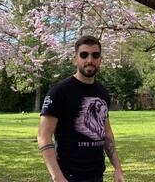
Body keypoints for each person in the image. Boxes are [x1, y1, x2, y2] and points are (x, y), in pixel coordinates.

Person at [37, 35, 125, 182]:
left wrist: (118, 168)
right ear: (75, 58)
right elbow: (43, 136)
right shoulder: (59, 92)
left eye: (95, 55)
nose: (89, 60)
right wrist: (57, 177)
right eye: (84, 55)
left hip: (97, 175)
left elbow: (106, 132)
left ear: (100, 60)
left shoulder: (102, 92)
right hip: (68, 176)